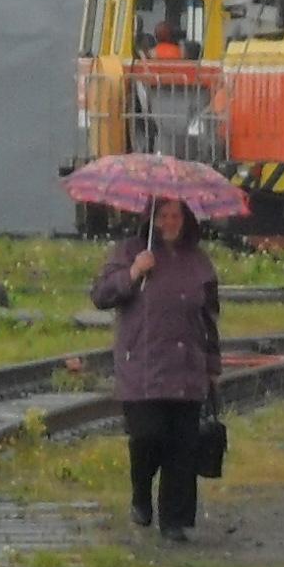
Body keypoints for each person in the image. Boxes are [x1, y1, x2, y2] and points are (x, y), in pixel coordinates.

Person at [90, 194, 222, 540]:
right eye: (162, 215)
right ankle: (140, 494)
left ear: (186, 218)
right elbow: (101, 295)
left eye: (175, 215)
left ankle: (175, 521)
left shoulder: (199, 262)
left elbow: (209, 318)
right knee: (147, 436)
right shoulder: (130, 250)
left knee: (182, 445)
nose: (169, 222)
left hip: (187, 367)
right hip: (142, 366)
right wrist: (133, 272)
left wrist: (212, 365)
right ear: (151, 218)